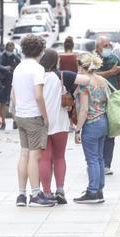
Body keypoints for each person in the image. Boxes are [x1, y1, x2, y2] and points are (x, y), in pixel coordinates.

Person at [11, 35, 56, 207]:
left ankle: (21, 195)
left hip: (21, 115)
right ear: (40, 51)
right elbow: (38, 95)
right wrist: (44, 116)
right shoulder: (37, 69)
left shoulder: (18, 68)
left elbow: (14, 95)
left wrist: (19, 109)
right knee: (34, 156)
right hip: (33, 115)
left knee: (24, 153)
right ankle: (36, 194)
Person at [38, 49, 81, 205]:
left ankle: (47, 192)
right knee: (59, 157)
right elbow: (86, 81)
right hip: (61, 123)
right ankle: (60, 189)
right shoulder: (63, 75)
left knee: (44, 158)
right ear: (56, 62)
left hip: (41, 122)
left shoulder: (37, 77)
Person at [72, 52, 111, 203]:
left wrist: (77, 129)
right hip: (104, 121)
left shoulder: (85, 83)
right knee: (100, 158)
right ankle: (99, 189)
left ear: (82, 66)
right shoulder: (102, 80)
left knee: (92, 160)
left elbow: (84, 109)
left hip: (91, 123)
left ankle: (93, 191)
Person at [95, 37, 120, 175]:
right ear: (97, 47)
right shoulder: (91, 60)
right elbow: (89, 75)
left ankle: (106, 163)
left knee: (110, 133)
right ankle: (95, 161)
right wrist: (110, 73)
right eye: (105, 45)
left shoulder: (114, 58)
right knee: (96, 133)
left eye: (109, 45)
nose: (107, 47)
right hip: (95, 101)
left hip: (111, 100)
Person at [0, 41, 22, 131]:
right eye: (9, 47)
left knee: (14, 102)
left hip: (12, 82)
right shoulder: (0, 56)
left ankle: (15, 121)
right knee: (2, 103)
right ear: (6, 48)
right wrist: (4, 68)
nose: (11, 49)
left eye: (12, 47)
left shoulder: (16, 57)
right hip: (2, 83)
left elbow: (20, 67)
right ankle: (3, 122)